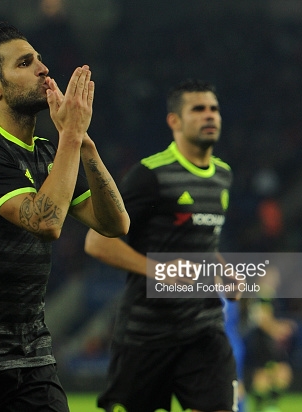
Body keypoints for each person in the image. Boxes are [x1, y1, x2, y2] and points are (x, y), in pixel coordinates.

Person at [0, 22, 129, 412]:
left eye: (40, 59)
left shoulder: (50, 152)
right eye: (26, 62)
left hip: (32, 359)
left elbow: (115, 224)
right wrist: (70, 137)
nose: (44, 68)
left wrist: (84, 143)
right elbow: (45, 222)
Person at [85, 79, 237, 412]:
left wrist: (224, 272)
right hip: (147, 335)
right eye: (198, 109)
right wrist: (159, 270)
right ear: (175, 121)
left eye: (214, 109)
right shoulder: (150, 174)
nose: (209, 116)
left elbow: (202, 242)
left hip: (204, 330)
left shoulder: (223, 176)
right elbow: (97, 242)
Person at [243, 267, 295, 412]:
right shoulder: (262, 295)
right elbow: (262, 319)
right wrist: (278, 328)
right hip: (262, 341)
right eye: (272, 277)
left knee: (272, 374)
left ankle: (264, 406)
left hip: (264, 341)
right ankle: (266, 406)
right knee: (273, 374)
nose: (275, 281)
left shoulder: (265, 296)